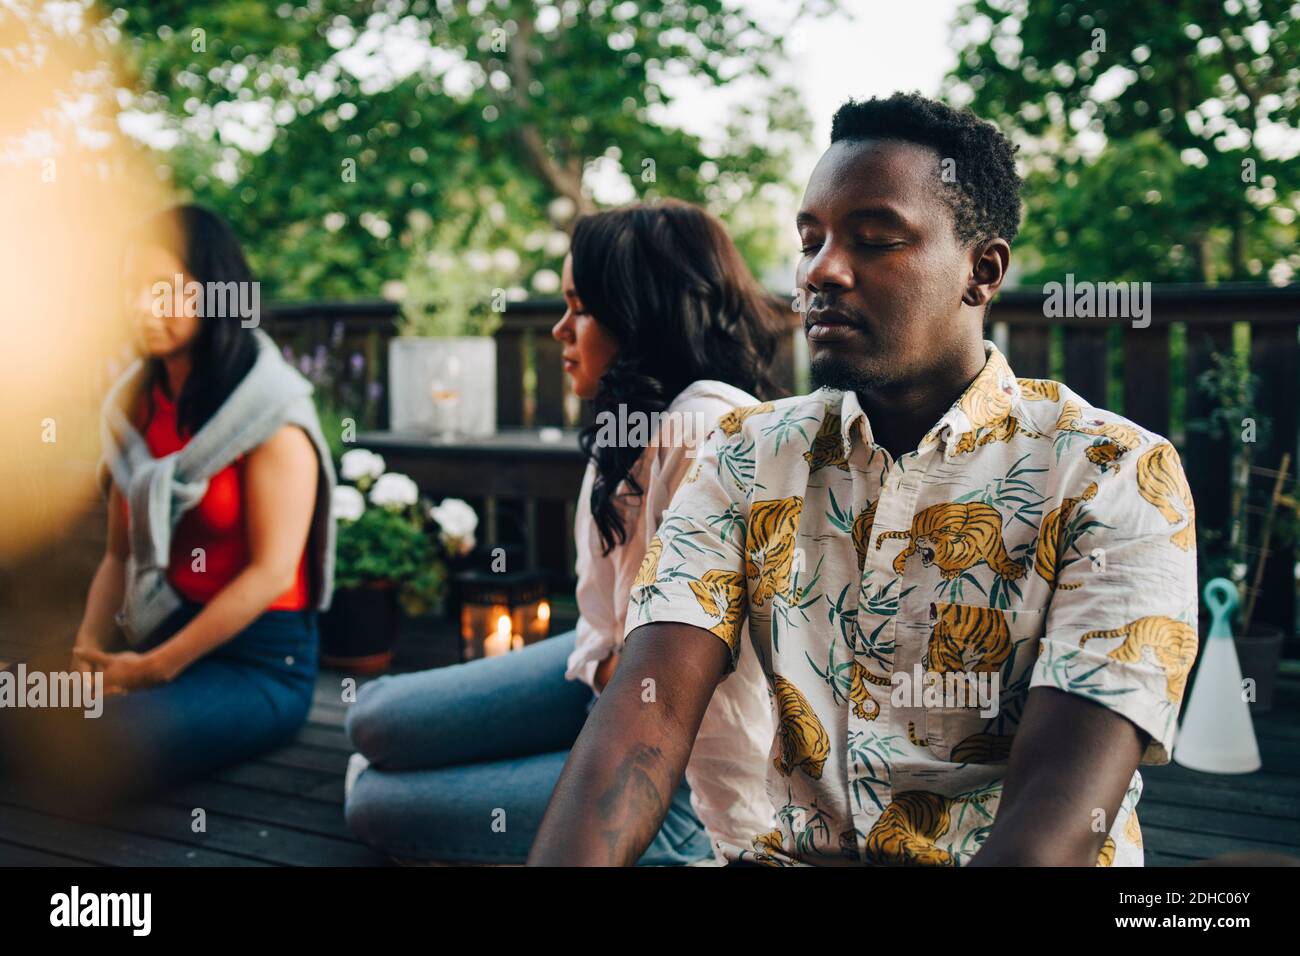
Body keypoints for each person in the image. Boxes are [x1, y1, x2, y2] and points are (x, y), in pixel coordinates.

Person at [529, 92, 1199, 867]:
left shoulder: (1111, 472)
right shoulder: (746, 453)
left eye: (875, 240)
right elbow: (642, 720)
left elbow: (1053, 830)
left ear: (981, 271)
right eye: (809, 240)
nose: (821, 271)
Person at [344, 199, 784, 864]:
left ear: (641, 316)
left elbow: (672, 693)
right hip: (600, 671)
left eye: (579, 307)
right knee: (368, 716)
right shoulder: (633, 419)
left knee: (373, 804)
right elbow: (607, 633)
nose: (558, 330)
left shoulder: (711, 436)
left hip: (675, 785)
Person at [0, 205, 336, 809]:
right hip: (155, 627)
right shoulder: (132, 405)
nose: (142, 307)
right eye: (131, 289)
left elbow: (271, 575)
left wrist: (148, 671)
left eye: (164, 290)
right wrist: (87, 651)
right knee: (16, 704)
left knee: (89, 748)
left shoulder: (270, 411)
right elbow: (118, 556)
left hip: (259, 662)